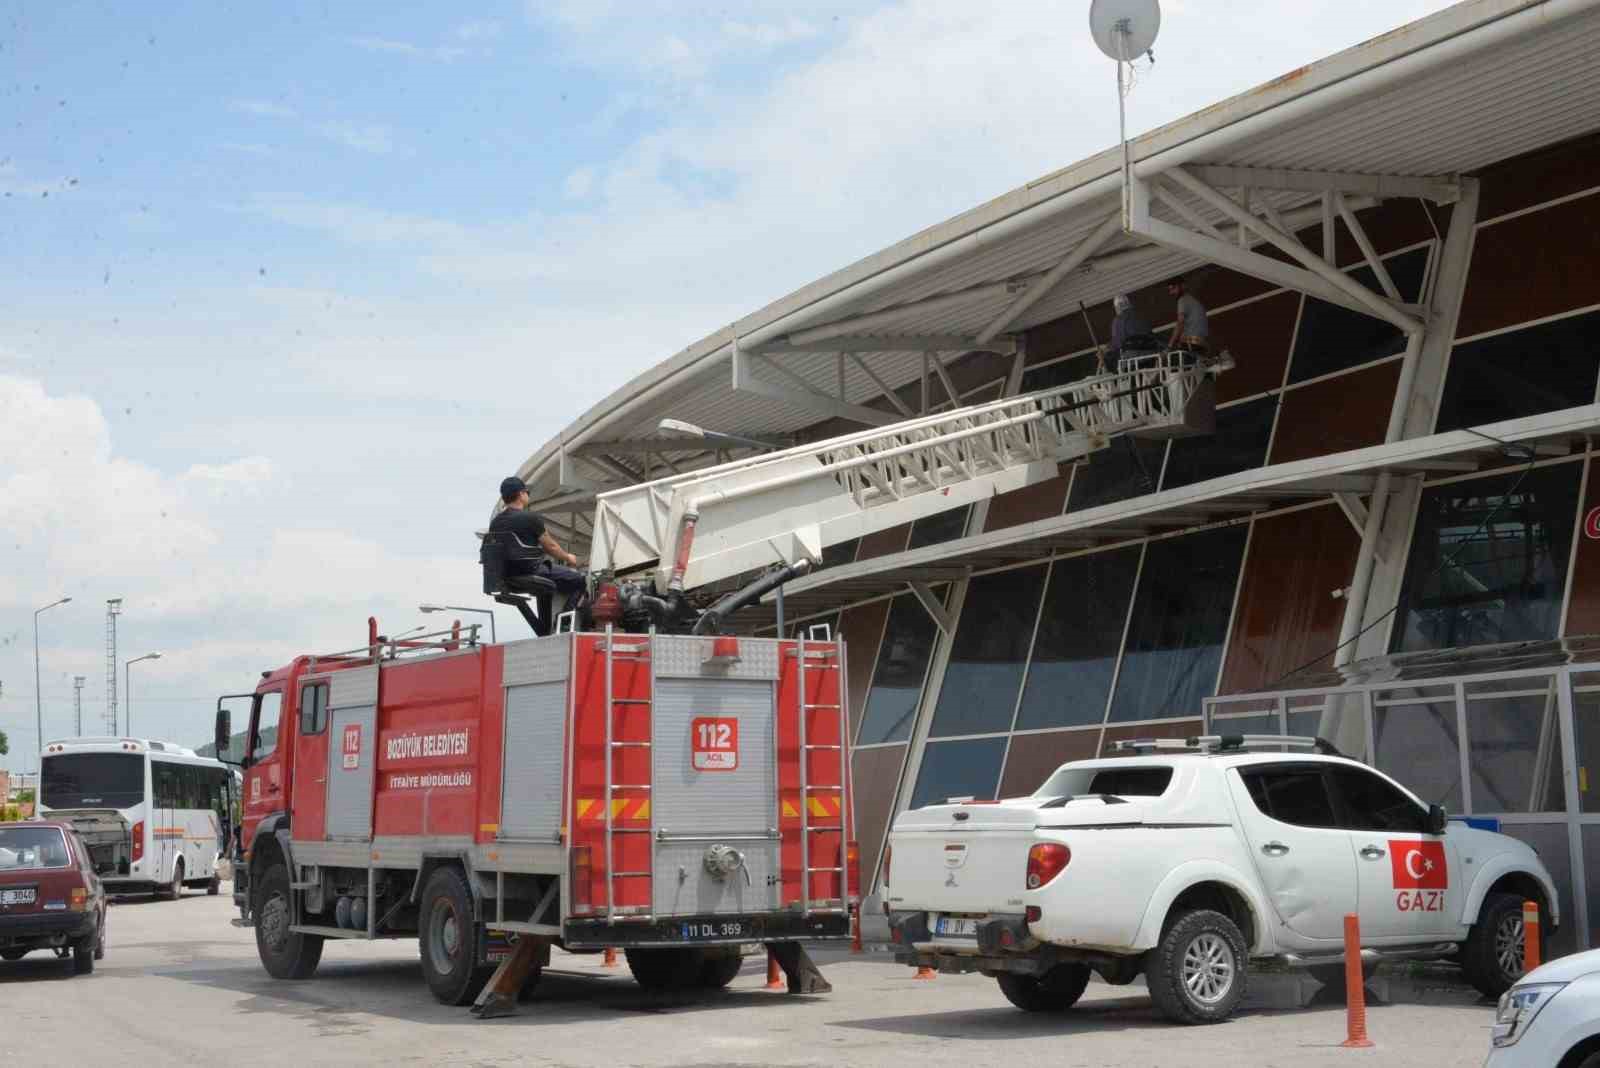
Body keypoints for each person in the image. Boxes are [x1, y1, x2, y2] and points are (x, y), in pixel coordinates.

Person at [489, 476, 586, 608]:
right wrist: (568, 557)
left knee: (551, 581)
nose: (528, 495)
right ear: (521, 494)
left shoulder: (495, 523)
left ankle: (548, 624)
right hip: (530, 572)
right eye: (526, 493)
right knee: (579, 580)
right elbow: (551, 547)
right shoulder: (531, 518)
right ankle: (565, 619)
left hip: (505, 576)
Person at [1166, 277, 1210, 353]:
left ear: (1182, 286)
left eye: (1173, 288)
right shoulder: (1193, 301)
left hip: (1191, 344)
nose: (1171, 293)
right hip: (1201, 344)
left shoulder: (1182, 300)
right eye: (1170, 290)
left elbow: (1180, 323)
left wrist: (1169, 346)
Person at [1108, 293, 1152, 358]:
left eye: (1115, 308)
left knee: (1111, 358)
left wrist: (1107, 349)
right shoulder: (1139, 315)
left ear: (1118, 307)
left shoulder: (1118, 320)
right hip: (1150, 354)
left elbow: (1117, 342)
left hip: (1132, 358)